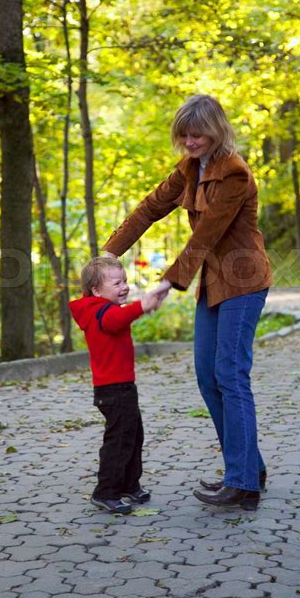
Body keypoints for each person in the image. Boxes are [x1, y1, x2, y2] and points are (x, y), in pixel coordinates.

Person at [102, 94, 273, 510]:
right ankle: (249, 467)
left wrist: (168, 282)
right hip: (214, 282)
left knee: (230, 375)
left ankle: (243, 483)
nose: (191, 141)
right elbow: (149, 208)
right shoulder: (188, 169)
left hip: (244, 280)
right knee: (206, 376)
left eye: (198, 134)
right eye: (185, 135)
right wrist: (110, 253)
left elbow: (207, 234)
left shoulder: (234, 172)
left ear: (215, 130)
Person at [69, 256, 161, 515]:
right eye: (117, 283)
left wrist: (149, 303)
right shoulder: (100, 311)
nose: (124, 287)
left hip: (122, 387)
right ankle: (105, 492)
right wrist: (142, 306)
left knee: (133, 436)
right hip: (113, 390)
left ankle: (129, 485)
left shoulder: (103, 308)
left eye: (125, 281)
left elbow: (120, 317)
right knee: (119, 441)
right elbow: (116, 320)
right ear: (97, 291)